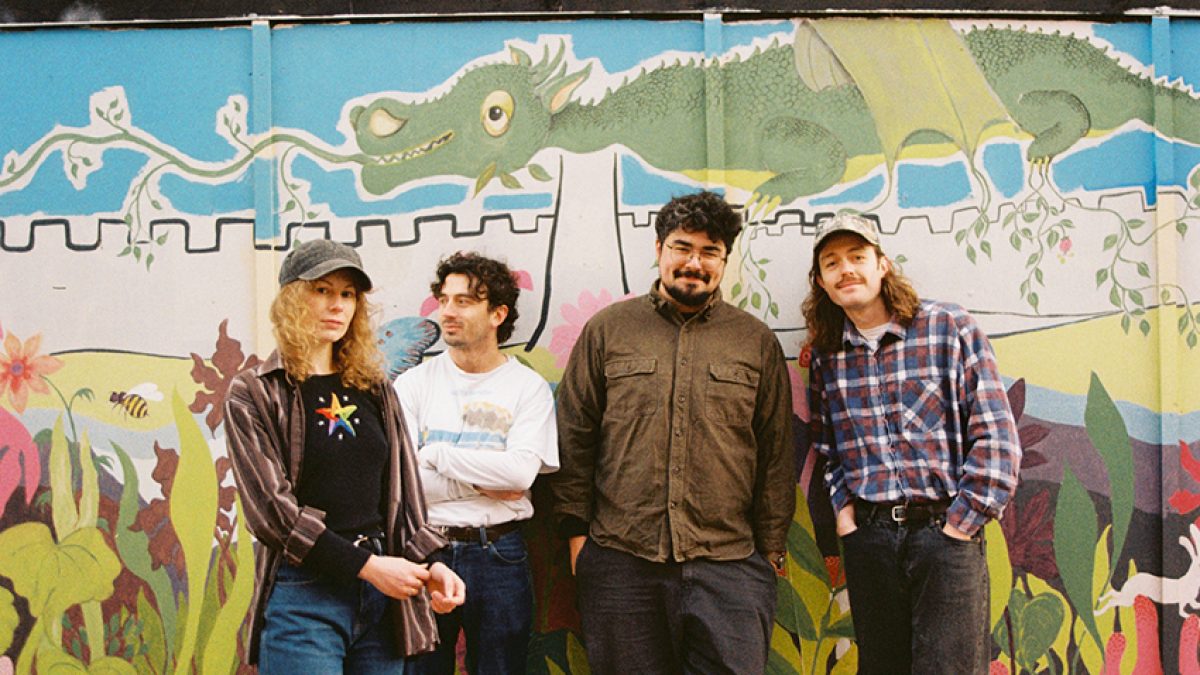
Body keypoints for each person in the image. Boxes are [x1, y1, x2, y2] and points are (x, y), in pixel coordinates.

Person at [552, 191, 795, 675]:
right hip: (623, 560)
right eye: (682, 247)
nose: (694, 263)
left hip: (729, 565)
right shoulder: (608, 331)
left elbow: (775, 453)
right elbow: (574, 434)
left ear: (725, 260)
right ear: (659, 249)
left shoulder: (755, 342)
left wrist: (767, 555)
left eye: (710, 252)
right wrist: (577, 535)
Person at [223, 239, 466, 673]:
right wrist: (367, 567)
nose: (337, 305)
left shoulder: (375, 389)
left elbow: (405, 496)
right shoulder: (257, 392)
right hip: (306, 595)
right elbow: (272, 514)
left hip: (383, 598)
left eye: (348, 294)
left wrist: (432, 566)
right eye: (322, 290)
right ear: (292, 298)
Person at [802, 213, 1021, 674]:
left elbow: (996, 438)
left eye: (857, 257)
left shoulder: (948, 327)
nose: (847, 270)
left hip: (945, 534)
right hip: (871, 539)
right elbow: (828, 449)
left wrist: (959, 527)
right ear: (821, 282)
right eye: (832, 263)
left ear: (882, 265)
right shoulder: (827, 355)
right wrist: (847, 519)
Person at [395, 251, 559, 675]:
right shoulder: (412, 385)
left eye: (464, 301)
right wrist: (491, 481)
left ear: (497, 314)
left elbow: (521, 474)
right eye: (444, 300)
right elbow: (403, 484)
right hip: (424, 549)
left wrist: (435, 456)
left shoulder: (528, 388)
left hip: (499, 554)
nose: (448, 312)